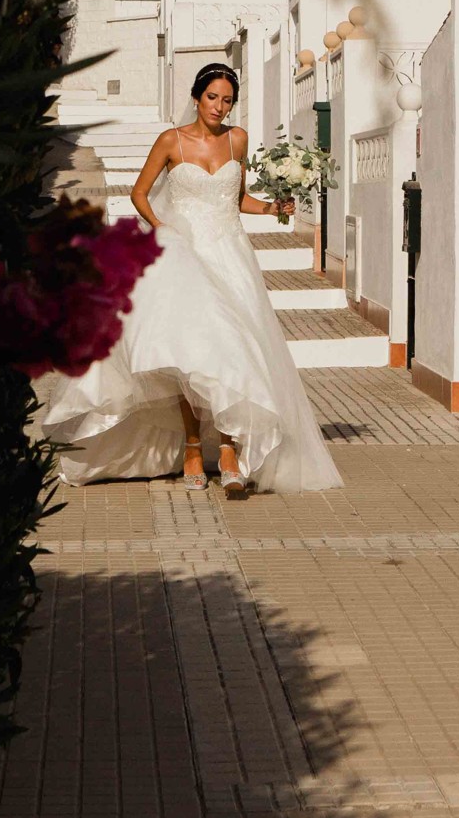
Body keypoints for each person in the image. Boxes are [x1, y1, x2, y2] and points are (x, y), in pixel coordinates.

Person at [37, 64, 344, 497]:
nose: (220, 107)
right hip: (184, 254)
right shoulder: (171, 140)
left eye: (227, 100)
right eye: (212, 97)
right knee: (191, 354)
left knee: (235, 349)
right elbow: (139, 192)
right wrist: (162, 228)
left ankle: (233, 450)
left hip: (230, 254)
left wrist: (276, 208)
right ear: (197, 96)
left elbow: (237, 201)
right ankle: (195, 447)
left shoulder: (237, 140)